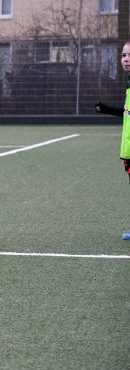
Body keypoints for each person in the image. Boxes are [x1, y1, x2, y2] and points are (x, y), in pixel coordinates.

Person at [95, 39, 130, 240]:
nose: (126, 59)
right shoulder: (129, 83)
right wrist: (107, 110)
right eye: (124, 55)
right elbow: (127, 113)